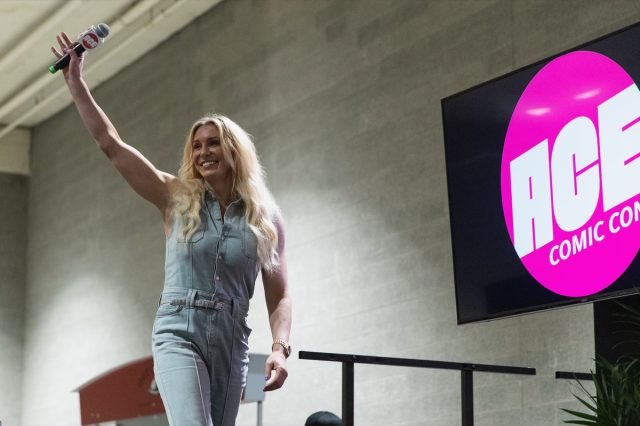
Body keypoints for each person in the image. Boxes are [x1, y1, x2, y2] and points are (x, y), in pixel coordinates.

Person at [51, 32, 292, 426]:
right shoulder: (174, 197)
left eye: (213, 143)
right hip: (179, 331)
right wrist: (76, 83)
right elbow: (111, 144)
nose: (203, 152)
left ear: (235, 151)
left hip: (233, 340)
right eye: (196, 146)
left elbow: (279, 293)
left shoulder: (265, 218)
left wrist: (280, 348)